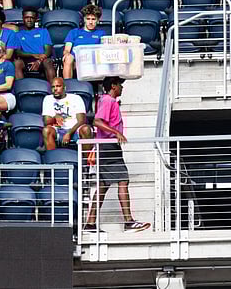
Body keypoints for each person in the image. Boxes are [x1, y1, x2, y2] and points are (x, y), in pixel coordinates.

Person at [84, 77, 150, 231]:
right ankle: (128, 222)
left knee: (103, 185)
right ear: (113, 86)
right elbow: (97, 121)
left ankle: (90, 224)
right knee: (123, 180)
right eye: (120, 84)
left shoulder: (107, 101)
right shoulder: (108, 101)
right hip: (108, 147)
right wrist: (116, 133)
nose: (122, 87)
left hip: (106, 148)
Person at [41, 76, 93, 150]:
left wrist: (69, 133)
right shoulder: (48, 99)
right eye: (53, 87)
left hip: (75, 129)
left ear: (64, 88)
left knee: (86, 129)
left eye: (58, 86)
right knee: (46, 130)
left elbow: (82, 120)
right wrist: (54, 118)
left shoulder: (76, 98)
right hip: (58, 130)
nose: (55, 89)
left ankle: (86, 160)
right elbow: (46, 122)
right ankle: (53, 159)